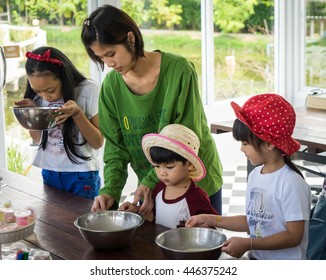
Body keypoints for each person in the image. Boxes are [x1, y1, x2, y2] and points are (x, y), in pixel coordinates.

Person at [81, 4, 223, 214]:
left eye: (111, 53)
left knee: (202, 244)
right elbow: (115, 149)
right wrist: (110, 190)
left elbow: (186, 138)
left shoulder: (179, 71)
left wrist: (149, 181)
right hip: (154, 185)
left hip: (195, 183)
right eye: (100, 57)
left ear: (131, 38)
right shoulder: (111, 87)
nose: (108, 62)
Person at [186, 93, 311, 260]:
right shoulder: (255, 176)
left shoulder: (291, 183)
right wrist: (211, 219)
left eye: (245, 144)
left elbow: (293, 236)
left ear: (269, 143)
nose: (242, 149)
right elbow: (252, 221)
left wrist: (248, 244)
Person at [14, 46, 104, 199]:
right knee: (53, 220)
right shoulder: (37, 99)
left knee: (80, 220)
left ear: (64, 77)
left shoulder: (87, 90)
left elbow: (97, 142)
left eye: (50, 90)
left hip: (81, 175)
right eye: (37, 91)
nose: (45, 96)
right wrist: (32, 113)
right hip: (50, 172)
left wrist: (77, 114)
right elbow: (38, 139)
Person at [119, 124, 218, 228]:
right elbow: (154, 216)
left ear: (189, 165)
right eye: (156, 166)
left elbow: (212, 227)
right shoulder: (159, 188)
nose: (162, 172)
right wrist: (135, 210)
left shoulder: (196, 197)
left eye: (169, 167)